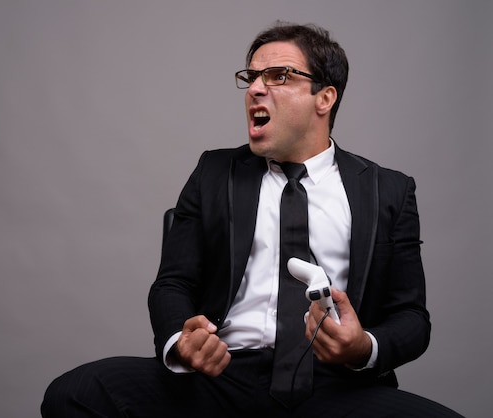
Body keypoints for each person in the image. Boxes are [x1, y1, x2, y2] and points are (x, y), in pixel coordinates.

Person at [41, 22, 463, 417]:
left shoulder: (387, 189)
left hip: (336, 387)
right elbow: (174, 282)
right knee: (75, 394)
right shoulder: (214, 173)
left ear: (325, 98)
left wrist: (361, 347)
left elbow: (410, 316)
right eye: (252, 77)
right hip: (222, 378)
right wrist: (181, 342)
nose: (256, 88)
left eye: (278, 76)